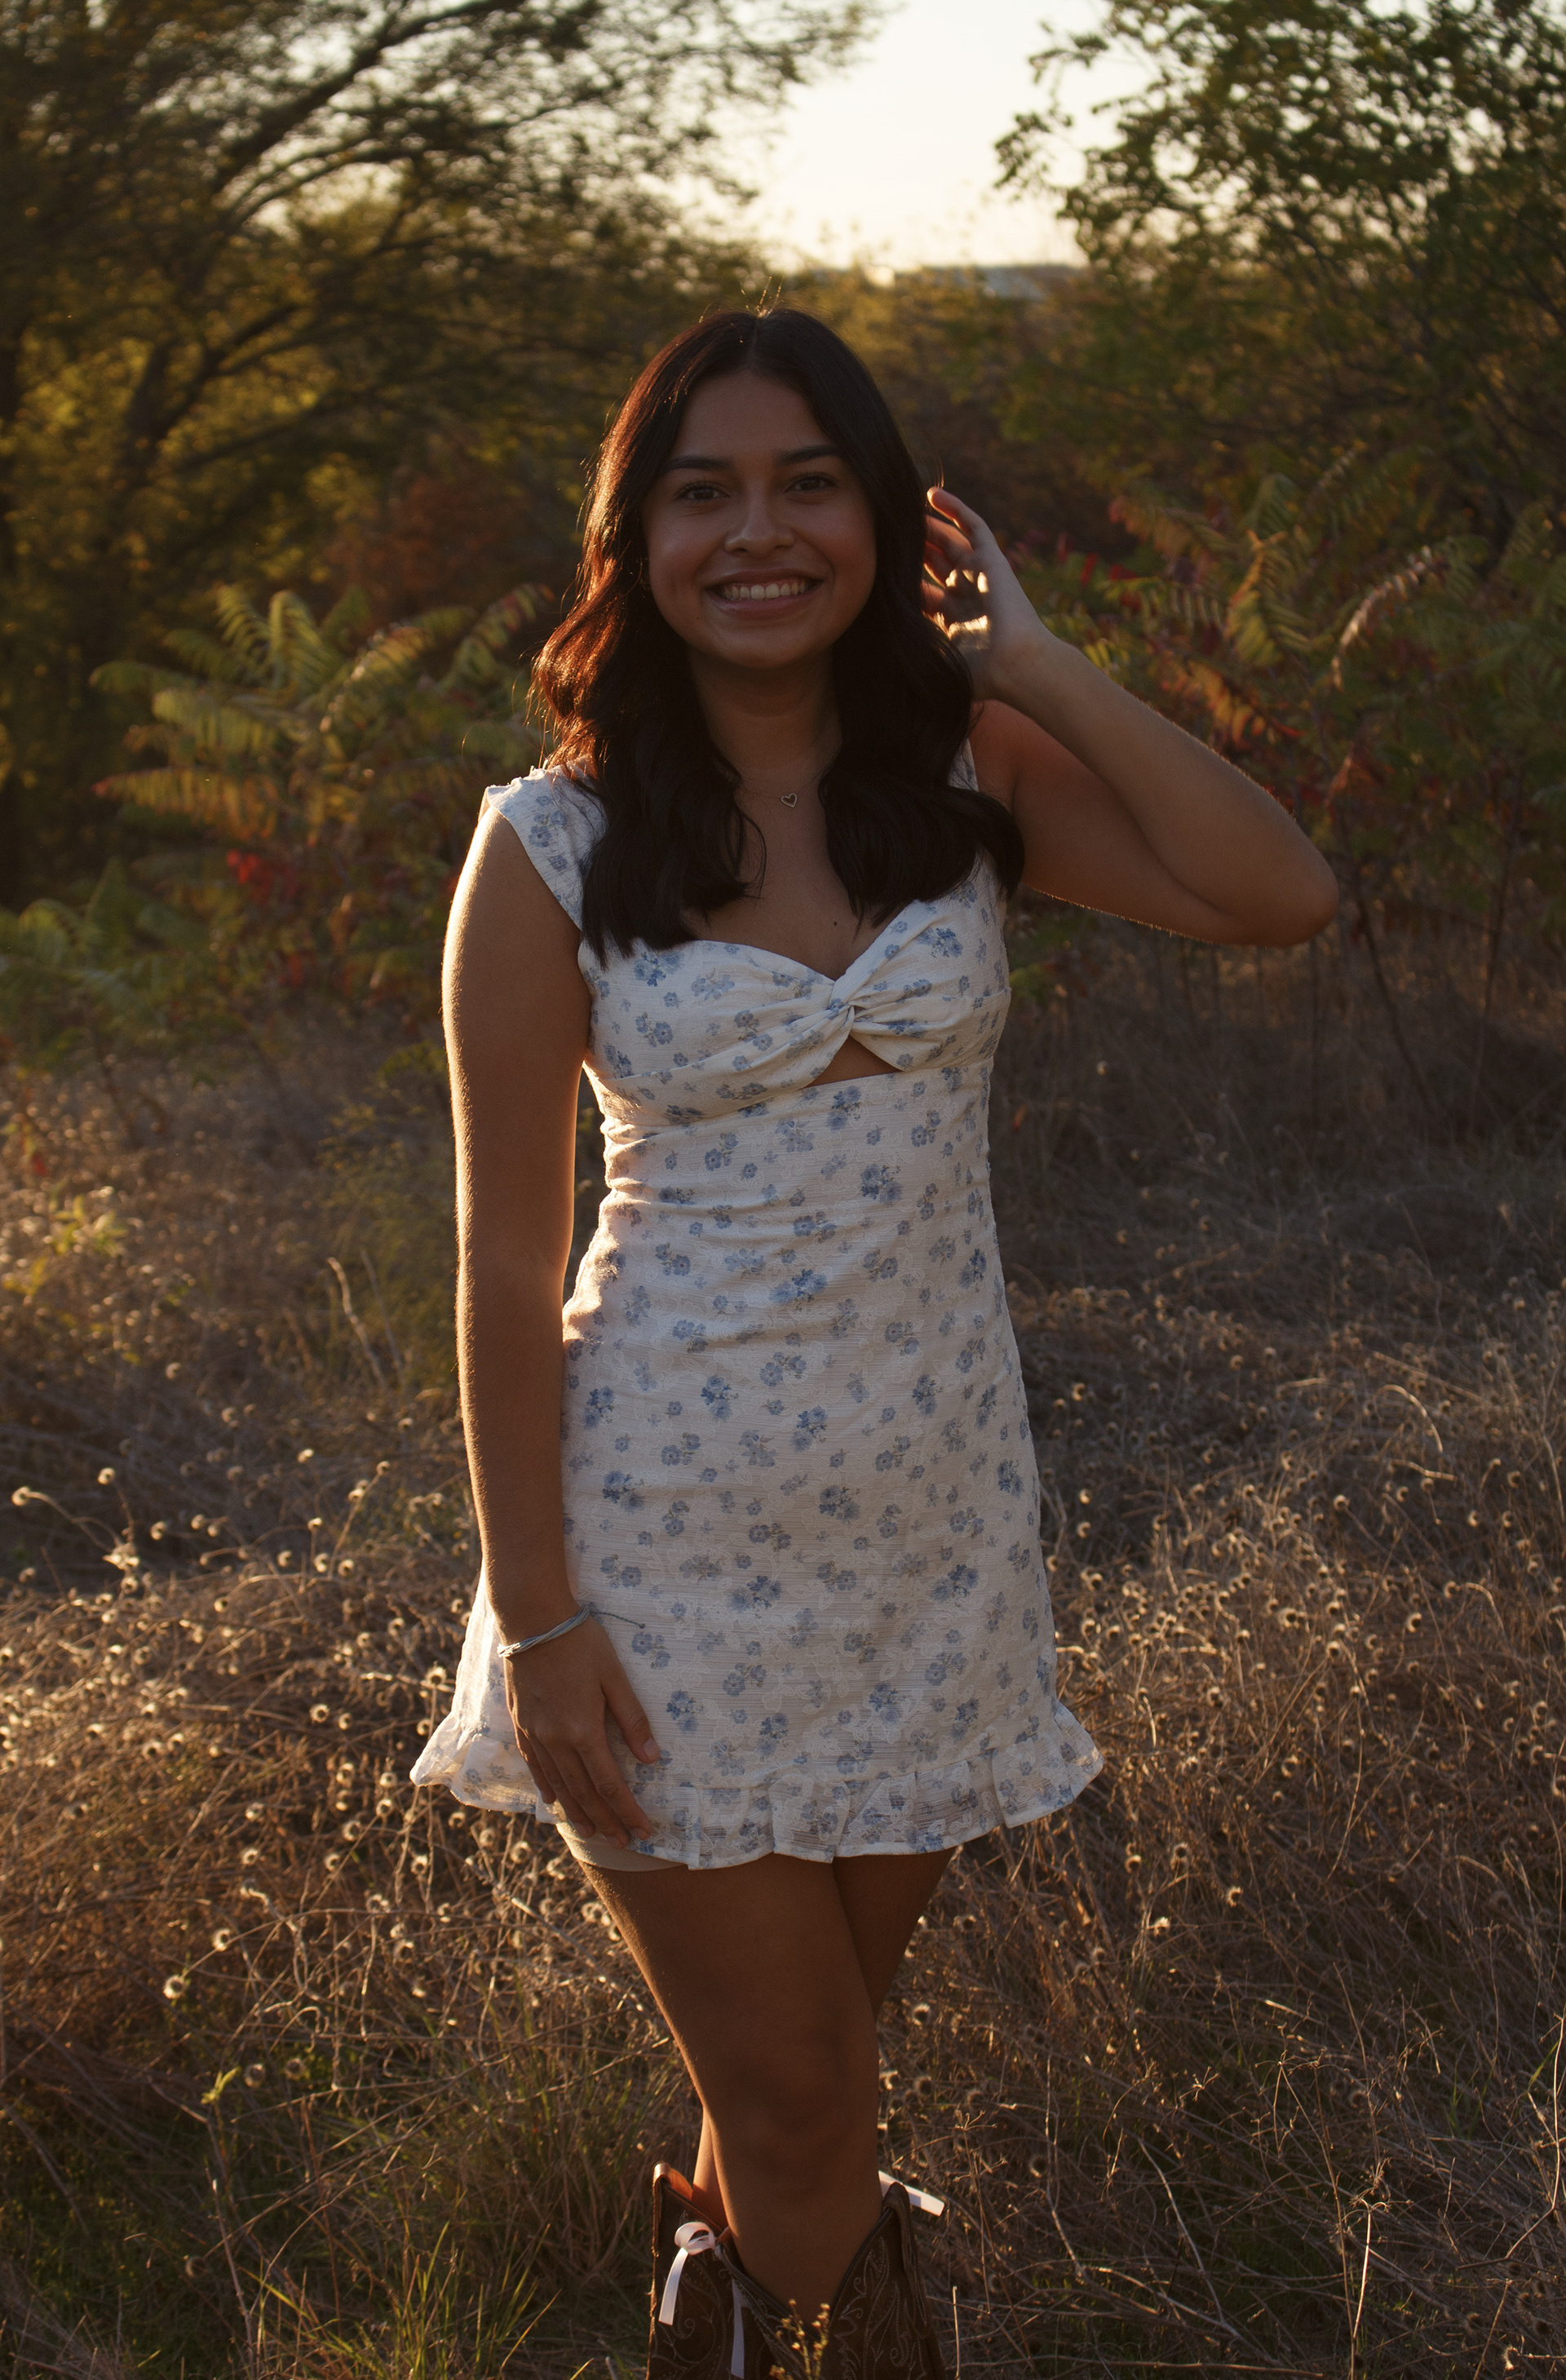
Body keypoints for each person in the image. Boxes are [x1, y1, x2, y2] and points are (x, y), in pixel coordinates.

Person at [413, 307, 1337, 2378]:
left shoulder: (967, 781)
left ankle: (719, 2317)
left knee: (803, 2079)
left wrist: (1032, 661)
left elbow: (1276, 893)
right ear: (635, 541)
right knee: (813, 2101)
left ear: (891, 517)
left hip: (929, 1537)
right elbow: (501, 1262)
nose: (758, 531)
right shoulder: (548, 846)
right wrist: (541, 1615)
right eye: (703, 492)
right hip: (656, 1565)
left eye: (807, 483)